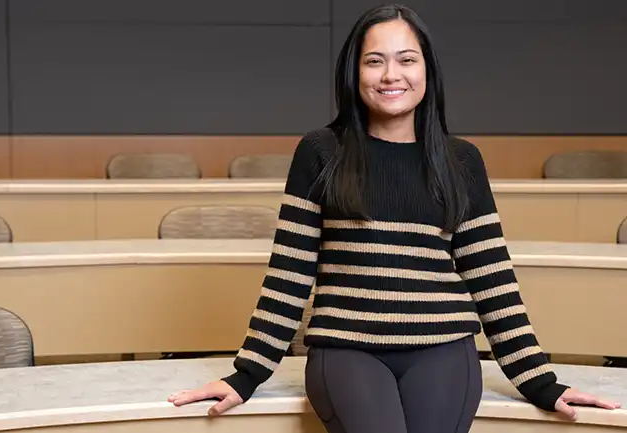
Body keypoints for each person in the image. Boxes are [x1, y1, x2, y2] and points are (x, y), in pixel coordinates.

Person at [168, 4, 621, 432]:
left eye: (406, 59)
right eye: (374, 62)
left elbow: (492, 279)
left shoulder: (461, 160)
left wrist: (540, 383)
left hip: (443, 348)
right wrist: (245, 375)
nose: (391, 75)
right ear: (354, 72)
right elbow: (289, 274)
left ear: (427, 70)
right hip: (347, 348)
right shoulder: (321, 151)